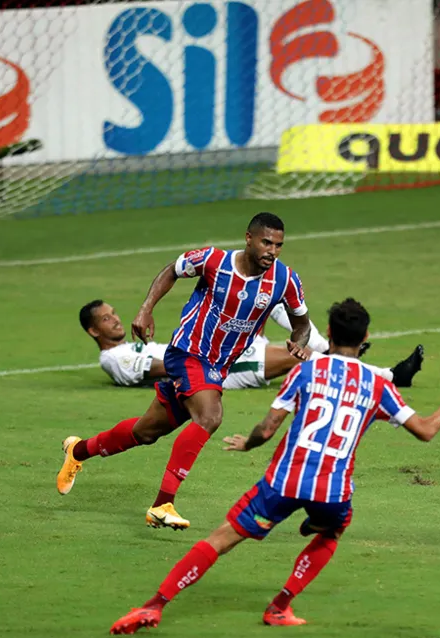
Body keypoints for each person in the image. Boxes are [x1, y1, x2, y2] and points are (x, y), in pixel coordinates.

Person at [108, 298, 440, 634]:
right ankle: (280, 606)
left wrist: (247, 443)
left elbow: (268, 428)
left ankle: (154, 606)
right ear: (365, 337)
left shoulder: (304, 372)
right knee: (332, 531)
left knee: (220, 540)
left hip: (283, 481)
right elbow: (425, 431)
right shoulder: (377, 385)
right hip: (331, 490)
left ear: (328, 333)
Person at [54, 212, 312, 531]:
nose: (272, 251)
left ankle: (78, 449)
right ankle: (163, 504)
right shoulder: (213, 261)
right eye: (266, 242)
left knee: (147, 432)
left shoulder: (284, 280)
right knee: (210, 416)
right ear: (248, 238)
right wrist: (146, 309)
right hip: (187, 353)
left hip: (219, 365)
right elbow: (171, 271)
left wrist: (299, 343)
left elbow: (301, 324)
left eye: (279, 245)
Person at [81, 300, 425, 389]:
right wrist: (209, 358)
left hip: (215, 354)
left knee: (272, 303)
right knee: (308, 359)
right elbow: (163, 369)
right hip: (217, 367)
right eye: (105, 319)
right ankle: (391, 376)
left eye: (113, 314)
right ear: (93, 331)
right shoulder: (114, 359)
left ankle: (330, 350)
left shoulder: (133, 346)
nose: (114, 320)